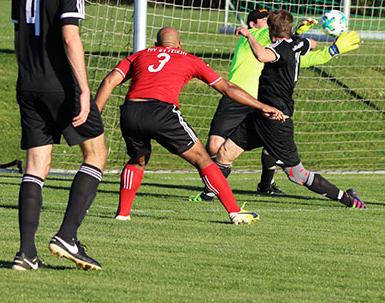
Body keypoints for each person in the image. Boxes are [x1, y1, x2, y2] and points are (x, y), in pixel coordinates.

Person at [95, 26, 287, 224]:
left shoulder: (140, 55)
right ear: (179, 44)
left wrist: (94, 115)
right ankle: (235, 211)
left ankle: (122, 214)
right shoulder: (188, 58)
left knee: (137, 160)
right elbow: (227, 88)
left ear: (155, 44)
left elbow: (110, 80)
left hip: (131, 111)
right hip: (161, 112)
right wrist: (261, 105)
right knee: (203, 160)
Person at [11, 0, 107, 271]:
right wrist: (83, 88)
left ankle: (26, 254)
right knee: (96, 153)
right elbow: (70, 36)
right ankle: (67, 235)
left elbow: (20, 35)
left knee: (37, 166)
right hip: (59, 85)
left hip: (28, 82)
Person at [193, 7, 360, 201]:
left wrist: (248, 35)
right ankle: (207, 196)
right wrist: (312, 41)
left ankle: (347, 198)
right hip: (259, 115)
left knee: (297, 175)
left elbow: (263, 55)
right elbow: (311, 44)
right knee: (225, 152)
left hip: (276, 119)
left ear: (271, 30)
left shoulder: (276, 49)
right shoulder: (295, 45)